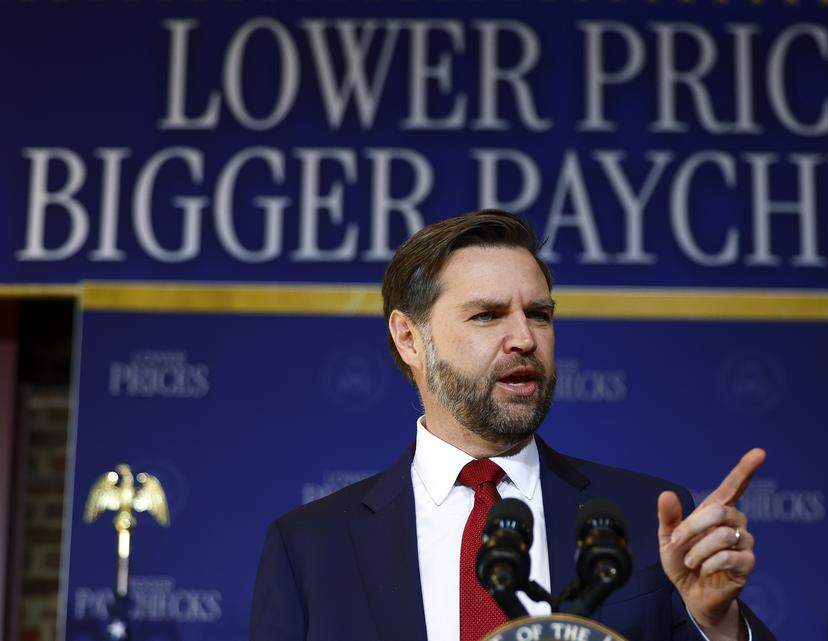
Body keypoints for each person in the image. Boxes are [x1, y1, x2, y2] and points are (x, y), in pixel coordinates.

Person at [251, 210, 776, 641]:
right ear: (409, 338)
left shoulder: (644, 517)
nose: (525, 338)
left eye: (540, 315)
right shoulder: (310, 548)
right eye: (488, 315)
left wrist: (716, 626)